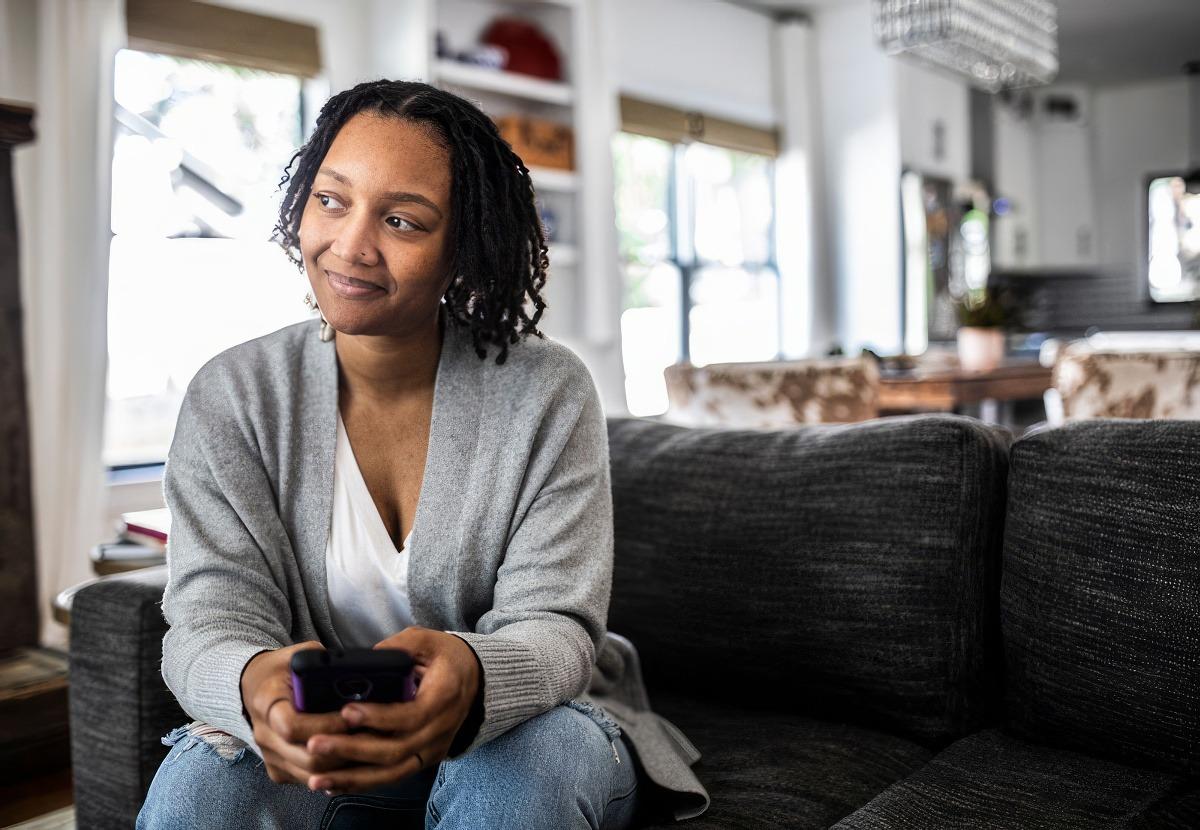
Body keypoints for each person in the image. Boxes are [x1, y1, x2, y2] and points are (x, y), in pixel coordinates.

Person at [136, 79, 709, 830]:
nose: (350, 245)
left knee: (530, 767)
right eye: (332, 200)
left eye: (402, 220)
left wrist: (473, 675)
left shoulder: (546, 391)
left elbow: (558, 628)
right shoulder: (233, 395)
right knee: (199, 790)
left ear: (461, 251)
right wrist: (250, 684)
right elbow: (208, 619)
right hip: (321, 737)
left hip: (525, 724)